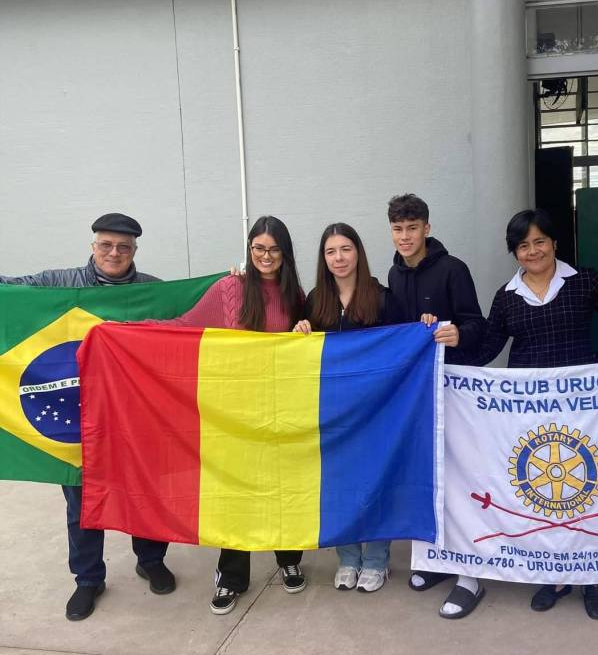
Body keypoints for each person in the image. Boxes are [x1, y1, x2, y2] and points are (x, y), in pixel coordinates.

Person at [0, 213, 176, 621]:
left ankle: (150, 560)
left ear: (134, 250)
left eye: (124, 247)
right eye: (106, 245)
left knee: (142, 490)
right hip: (73, 415)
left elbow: (188, 318)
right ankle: (88, 579)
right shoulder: (60, 283)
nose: (114, 253)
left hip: (131, 415)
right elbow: (11, 290)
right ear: (93, 246)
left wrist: (232, 283)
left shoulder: (151, 290)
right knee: (81, 500)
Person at [157, 215, 306, 615]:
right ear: (249, 249)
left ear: (285, 254)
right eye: (258, 248)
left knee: (283, 485)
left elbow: (308, 343)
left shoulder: (295, 294)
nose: (266, 256)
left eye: (274, 249)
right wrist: (127, 331)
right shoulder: (229, 288)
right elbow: (185, 326)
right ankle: (232, 576)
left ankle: (288, 559)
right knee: (237, 493)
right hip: (234, 412)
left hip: (281, 408)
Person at [473, 207, 598, 620]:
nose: (533, 251)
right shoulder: (506, 296)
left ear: (554, 243)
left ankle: (589, 578)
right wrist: (440, 352)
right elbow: (487, 350)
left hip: (582, 411)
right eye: (523, 245)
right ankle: (551, 576)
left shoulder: (584, 280)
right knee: (540, 495)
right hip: (528, 414)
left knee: (585, 489)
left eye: (540, 241)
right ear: (514, 252)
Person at [386, 193, 487, 619]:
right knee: (427, 478)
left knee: (461, 479)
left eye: (412, 228)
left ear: (426, 228)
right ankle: (437, 560)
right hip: (417, 394)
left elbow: (477, 325)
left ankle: (470, 575)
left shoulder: (453, 269)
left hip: (455, 392)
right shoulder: (393, 274)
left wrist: (458, 334)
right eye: (398, 228)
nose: (405, 236)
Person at [293, 222, 393, 593]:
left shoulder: (382, 297)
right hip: (333, 411)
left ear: (358, 253)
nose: (339, 258)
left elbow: (402, 345)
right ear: (324, 258)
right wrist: (301, 332)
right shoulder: (316, 299)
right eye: (331, 251)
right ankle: (348, 558)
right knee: (338, 485)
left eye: (346, 249)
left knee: (374, 482)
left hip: (375, 410)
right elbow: (304, 353)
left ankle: (377, 560)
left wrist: (426, 327)